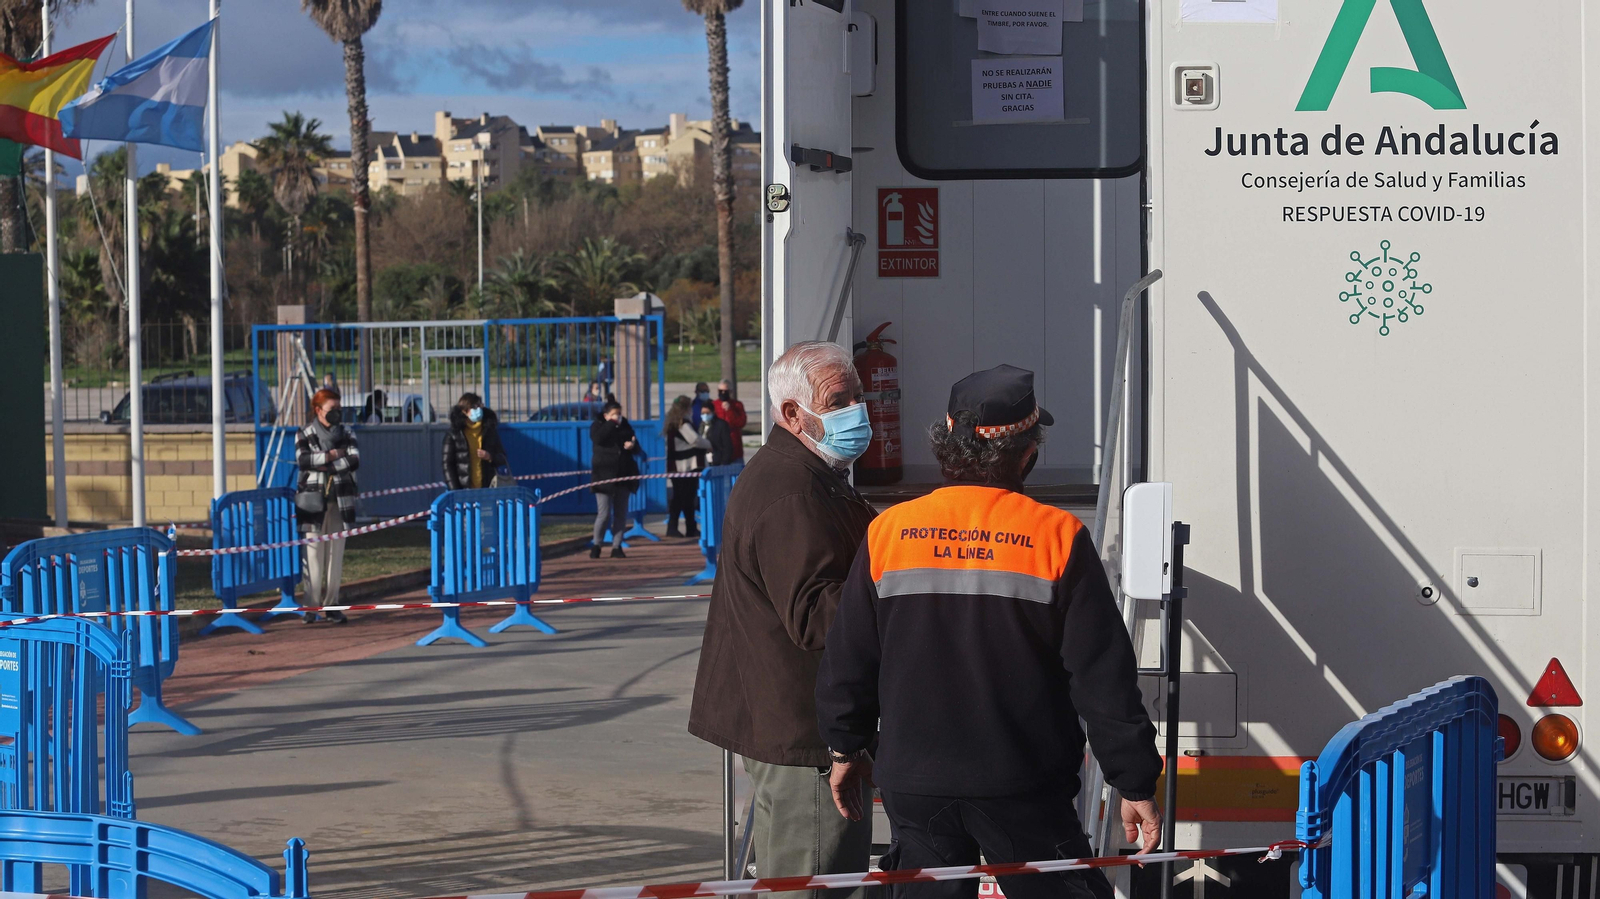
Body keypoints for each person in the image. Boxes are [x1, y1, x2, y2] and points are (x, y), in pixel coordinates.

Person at [815, 365, 1163, 899]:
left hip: (914, 785)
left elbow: (850, 658)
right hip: (1021, 785)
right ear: (1028, 452)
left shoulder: (889, 531)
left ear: (945, 444)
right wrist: (1133, 778)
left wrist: (844, 749)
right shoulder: (1058, 537)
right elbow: (1102, 676)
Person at [688, 341, 877, 899]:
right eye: (840, 400)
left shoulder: (805, 474)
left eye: (859, 396)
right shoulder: (791, 491)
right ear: (793, 414)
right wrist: (899, 585)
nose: (857, 411)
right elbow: (815, 615)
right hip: (804, 737)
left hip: (795, 730)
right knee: (815, 882)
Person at [295, 388, 360, 625]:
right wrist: (332, 455)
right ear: (318, 410)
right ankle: (311, 608)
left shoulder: (348, 432)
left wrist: (323, 464)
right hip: (312, 502)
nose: (337, 414)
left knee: (335, 556)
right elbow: (303, 460)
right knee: (313, 555)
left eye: (339, 409)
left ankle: (333, 605)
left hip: (340, 500)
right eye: (332, 410)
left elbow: (354, 459)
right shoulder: (305, 432)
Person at [589, 399, 640, 559]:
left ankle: (617, 546)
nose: (617, 417)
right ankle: (596, 544)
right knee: (603, 514)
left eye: (619, 414)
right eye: (613, 414)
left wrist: (632, 446)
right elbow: (599, 439)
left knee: (620, 514)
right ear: (605, 415)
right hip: (603, 477)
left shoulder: (625, 426)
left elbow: (635, 444)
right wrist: (611, 423)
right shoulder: (598, 426)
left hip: (623, 475)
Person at [663, 395, 710, 538]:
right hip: (685, 466)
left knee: (683, 498)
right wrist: (710, 445)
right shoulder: (683, 424)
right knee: (684, 498)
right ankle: (677, 527)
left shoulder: (672, 423)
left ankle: (688, 527)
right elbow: (695, 440)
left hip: (677, 466)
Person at [443, 392, 509, 490]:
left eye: (479, 406)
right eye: (474, 407)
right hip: (464, 491)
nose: (478, 409)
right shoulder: (454, 434)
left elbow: (502, 457)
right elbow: (447, 464)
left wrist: (490, 456)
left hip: (488, 489)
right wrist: (455, 491)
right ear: (464, 411)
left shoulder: (489, 430)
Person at [706, 379, 748, 465]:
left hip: (735, 447)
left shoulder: (737, 405)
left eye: (726, 391)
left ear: (730, 391)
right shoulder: (714, 405)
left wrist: (730, 410)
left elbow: (741, 422)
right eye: (721, 391)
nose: (723, 393)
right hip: (718, 448)